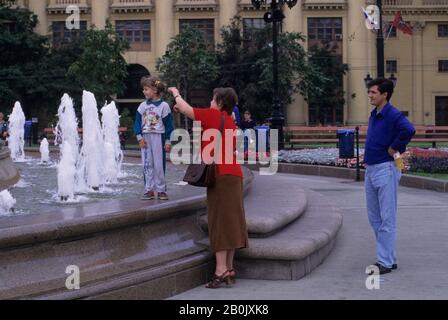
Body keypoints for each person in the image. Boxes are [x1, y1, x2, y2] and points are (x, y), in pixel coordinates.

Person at [168, 86, 248, 289]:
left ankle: (220, 271)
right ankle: (229, 268)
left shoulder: (214, 115)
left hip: (220, 175)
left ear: (220, 102)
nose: (210, 103)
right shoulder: (229, 120)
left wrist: (176, 92)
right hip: (234, 175)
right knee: (232, 222)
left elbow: (186, 109)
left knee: (219, 221)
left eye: (213, 99)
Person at [364, 78, 415, 275]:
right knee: (374, 217)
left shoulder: (392, 114)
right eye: (370, 92)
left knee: (387, 218)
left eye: (373, 92)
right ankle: (388, 258)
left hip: (385, 169)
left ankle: (384, 261)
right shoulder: (374, 114)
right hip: (371, 169)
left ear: (385, 94)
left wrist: (395, 147)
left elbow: (409, 129)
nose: (370, 95)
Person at [134, 76, 174, 201]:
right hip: (145, 138)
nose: (143, 91)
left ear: (155, 90)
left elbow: (169, 125)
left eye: (146, 89)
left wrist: (168, 141)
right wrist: (139, 137)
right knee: (147, 164)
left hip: (159, 137)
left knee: (158, 164)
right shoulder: (142, 106)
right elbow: (137, 123)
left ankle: (161, 190)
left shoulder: (164, 106)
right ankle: (149, 190)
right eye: (144, 89)